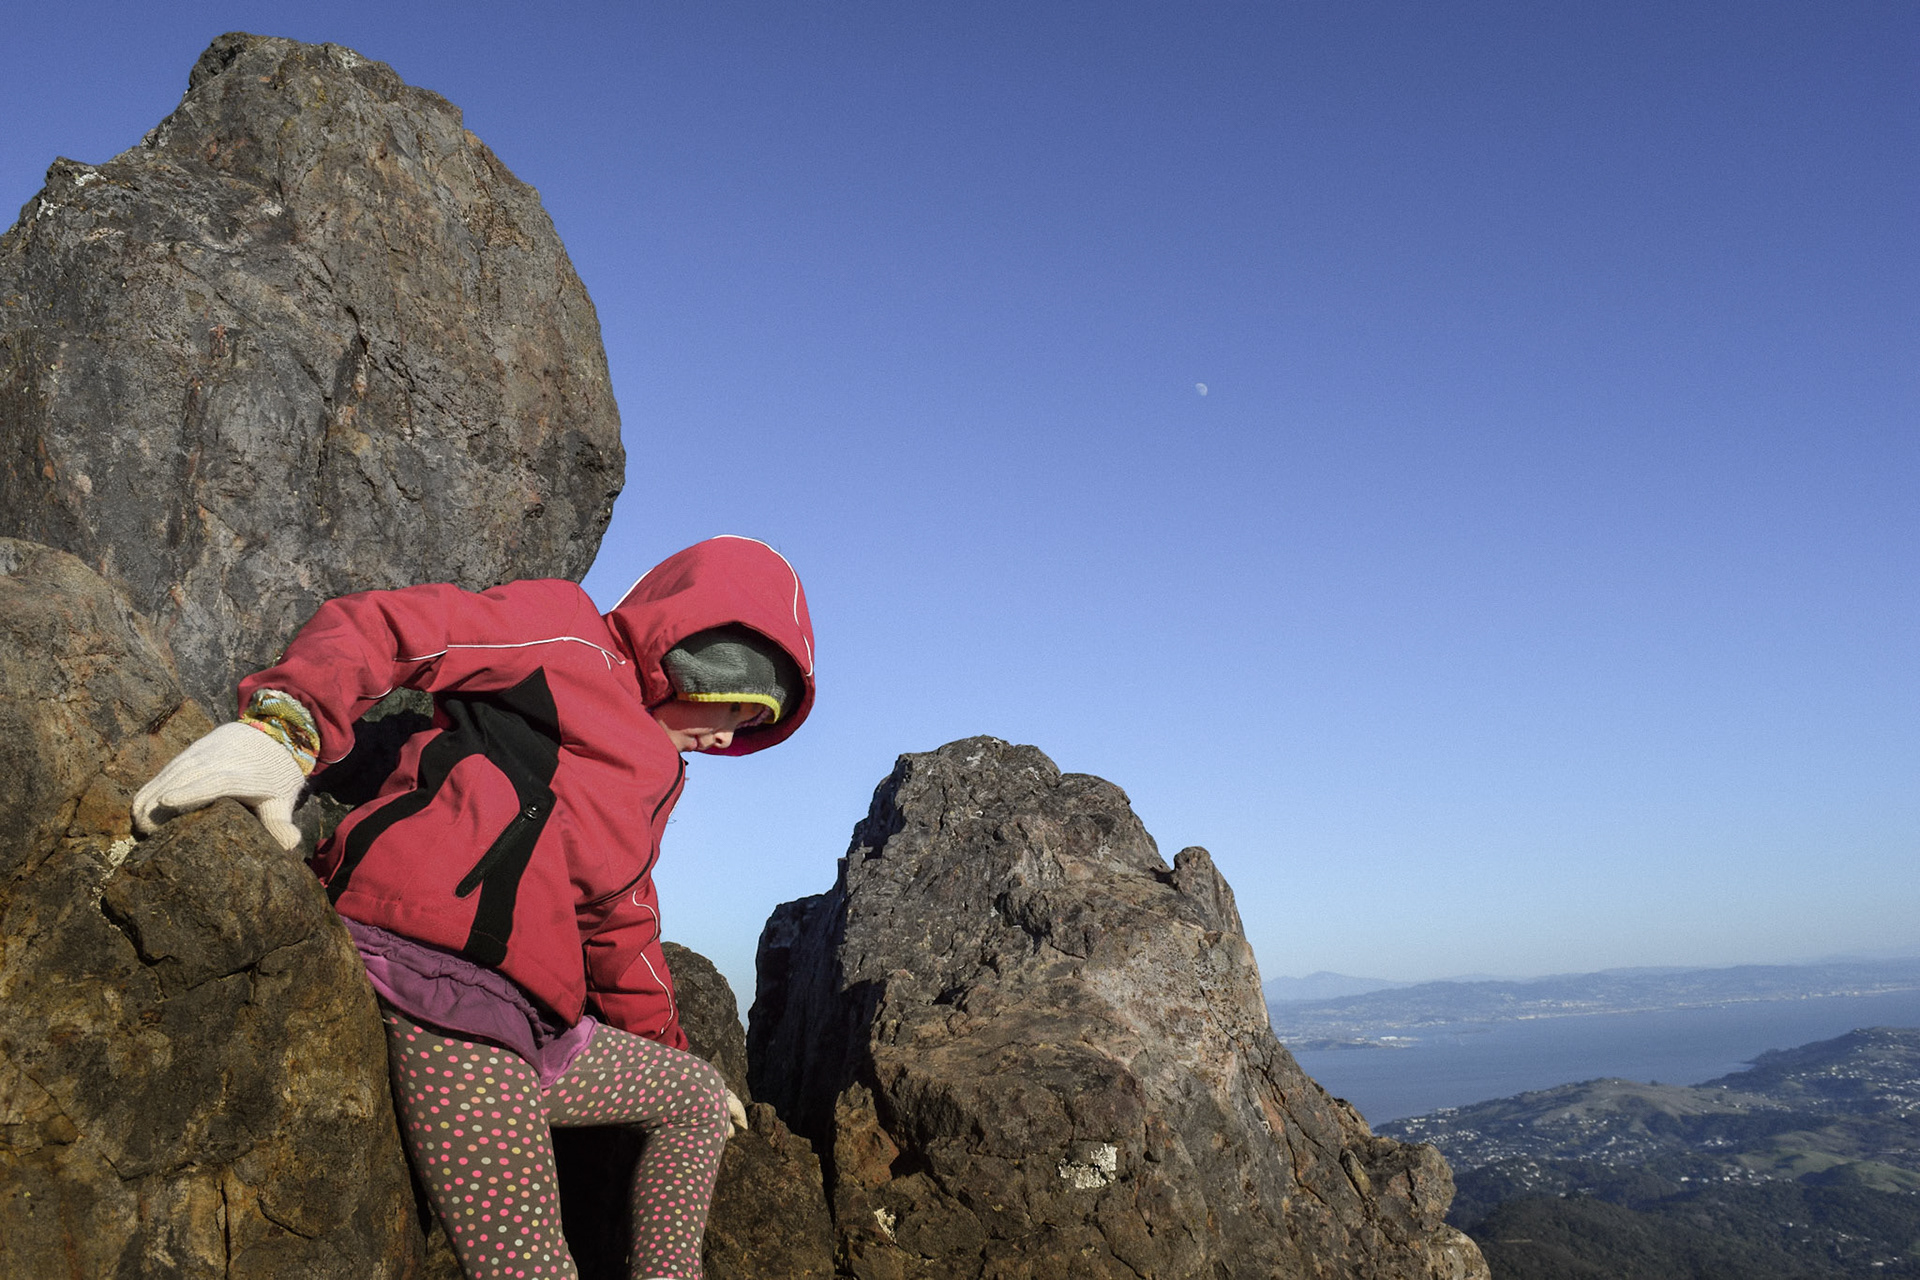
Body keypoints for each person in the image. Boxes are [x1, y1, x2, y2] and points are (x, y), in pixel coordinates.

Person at [131, 534, 816, 1280]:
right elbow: (391, 627)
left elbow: (622, 924)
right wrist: (284, 731)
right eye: (733, 704)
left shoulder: (654, 776)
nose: (729, 734)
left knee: (695, 1099)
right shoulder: (567, 632)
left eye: (752, 724)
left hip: (533, 1024)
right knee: (531, 1267)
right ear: (696, 657)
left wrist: (675, 1054)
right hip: (438, 978)